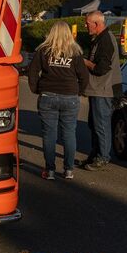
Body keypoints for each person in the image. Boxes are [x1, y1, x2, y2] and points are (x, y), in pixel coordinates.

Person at [28, 21, 89, 180]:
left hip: (48, 95)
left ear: (52, 33)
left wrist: (35, 89)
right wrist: (80, 91)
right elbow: (84, 76)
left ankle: (50, 171)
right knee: (69, 134)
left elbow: (32, 71)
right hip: (70, 96)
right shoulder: (75, 52)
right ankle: (68, 170)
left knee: (49, 134)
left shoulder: (43, 51)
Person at [82, 11, 122, 171]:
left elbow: (101, 68)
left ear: (96, 24)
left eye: (87, 23)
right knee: (94, 124)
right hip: (97, 90)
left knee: (101, 124)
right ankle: (95, 154)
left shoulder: (105, 40)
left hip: (103, 90)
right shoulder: (100, 38)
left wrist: (86, 62)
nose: (86, 26)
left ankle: (103, 157)